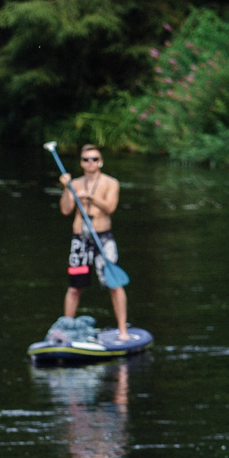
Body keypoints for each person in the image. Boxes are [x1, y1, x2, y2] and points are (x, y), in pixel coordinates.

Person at [58, 142, 130, 333]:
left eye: (94, 159)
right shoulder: (74, 184)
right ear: (81, 163)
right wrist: (67, 188)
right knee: (74, 288)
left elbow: (110, 208)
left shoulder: (111, 183)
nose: (90, 162)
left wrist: (91, 197)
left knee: (114, 285)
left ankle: (123, 330)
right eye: (86, 159)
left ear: (100, 162)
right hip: (80, 239)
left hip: (103, 238)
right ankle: (66, 330)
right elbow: (65, 210)